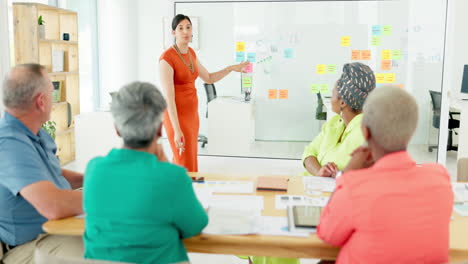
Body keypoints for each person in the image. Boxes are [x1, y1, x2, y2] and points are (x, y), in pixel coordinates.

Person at [317, 86, 453, 263]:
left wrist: (348, 174)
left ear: (365, 131)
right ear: (411, 132)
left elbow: (328, 235)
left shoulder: (355, 188)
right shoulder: (439, 179)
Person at [83, 82, 208, 264]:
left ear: (117, 129)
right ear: (159, 129)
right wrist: (166, 164)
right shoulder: (173, 177)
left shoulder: (94, 169)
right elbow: (195, 226)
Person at [0, 64, 84, 263]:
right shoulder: (9, 144)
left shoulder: (32, 132)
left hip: (56, 229)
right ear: (41, 101)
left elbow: (54, 174)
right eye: (51, 91)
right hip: (30, 246)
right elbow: (53, 205)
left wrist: (97, 178)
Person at [160, 14, 249, 172]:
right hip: (177, 117)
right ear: (173, 32)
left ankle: (178, 191)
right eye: (180, 28)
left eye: (188, 27)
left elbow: (208, 78)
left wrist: (230, 68)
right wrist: (177, 128)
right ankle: (185, 192)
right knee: (184, 163)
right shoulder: (167, 58)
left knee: (186, 160)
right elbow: (169, 98)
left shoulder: (191, 54)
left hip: (192, 116)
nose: (185, 31)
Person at [302, 62, 376, 177]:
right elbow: (309, 152)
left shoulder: (363, 135)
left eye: (332, 94)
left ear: (342, 102)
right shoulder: (335, 123)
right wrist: (319, 172)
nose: (330, 99)